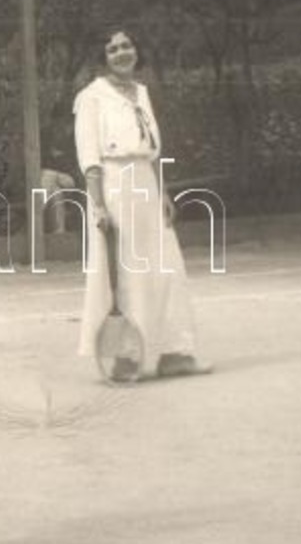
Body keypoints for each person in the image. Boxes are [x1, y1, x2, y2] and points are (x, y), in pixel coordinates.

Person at [74, 28, 208, 379]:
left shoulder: (143, 92)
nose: (122, 53)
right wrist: (99, 206)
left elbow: (151, 150)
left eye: (127, 46)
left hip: (147, 187)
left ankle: (173, 353)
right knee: (127, 274)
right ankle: (125, 358)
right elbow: (90, 158)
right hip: (115, 190)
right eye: (113, 48)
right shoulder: (91, 97)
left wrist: (162, 192)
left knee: (167, 267)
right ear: (103, 58)